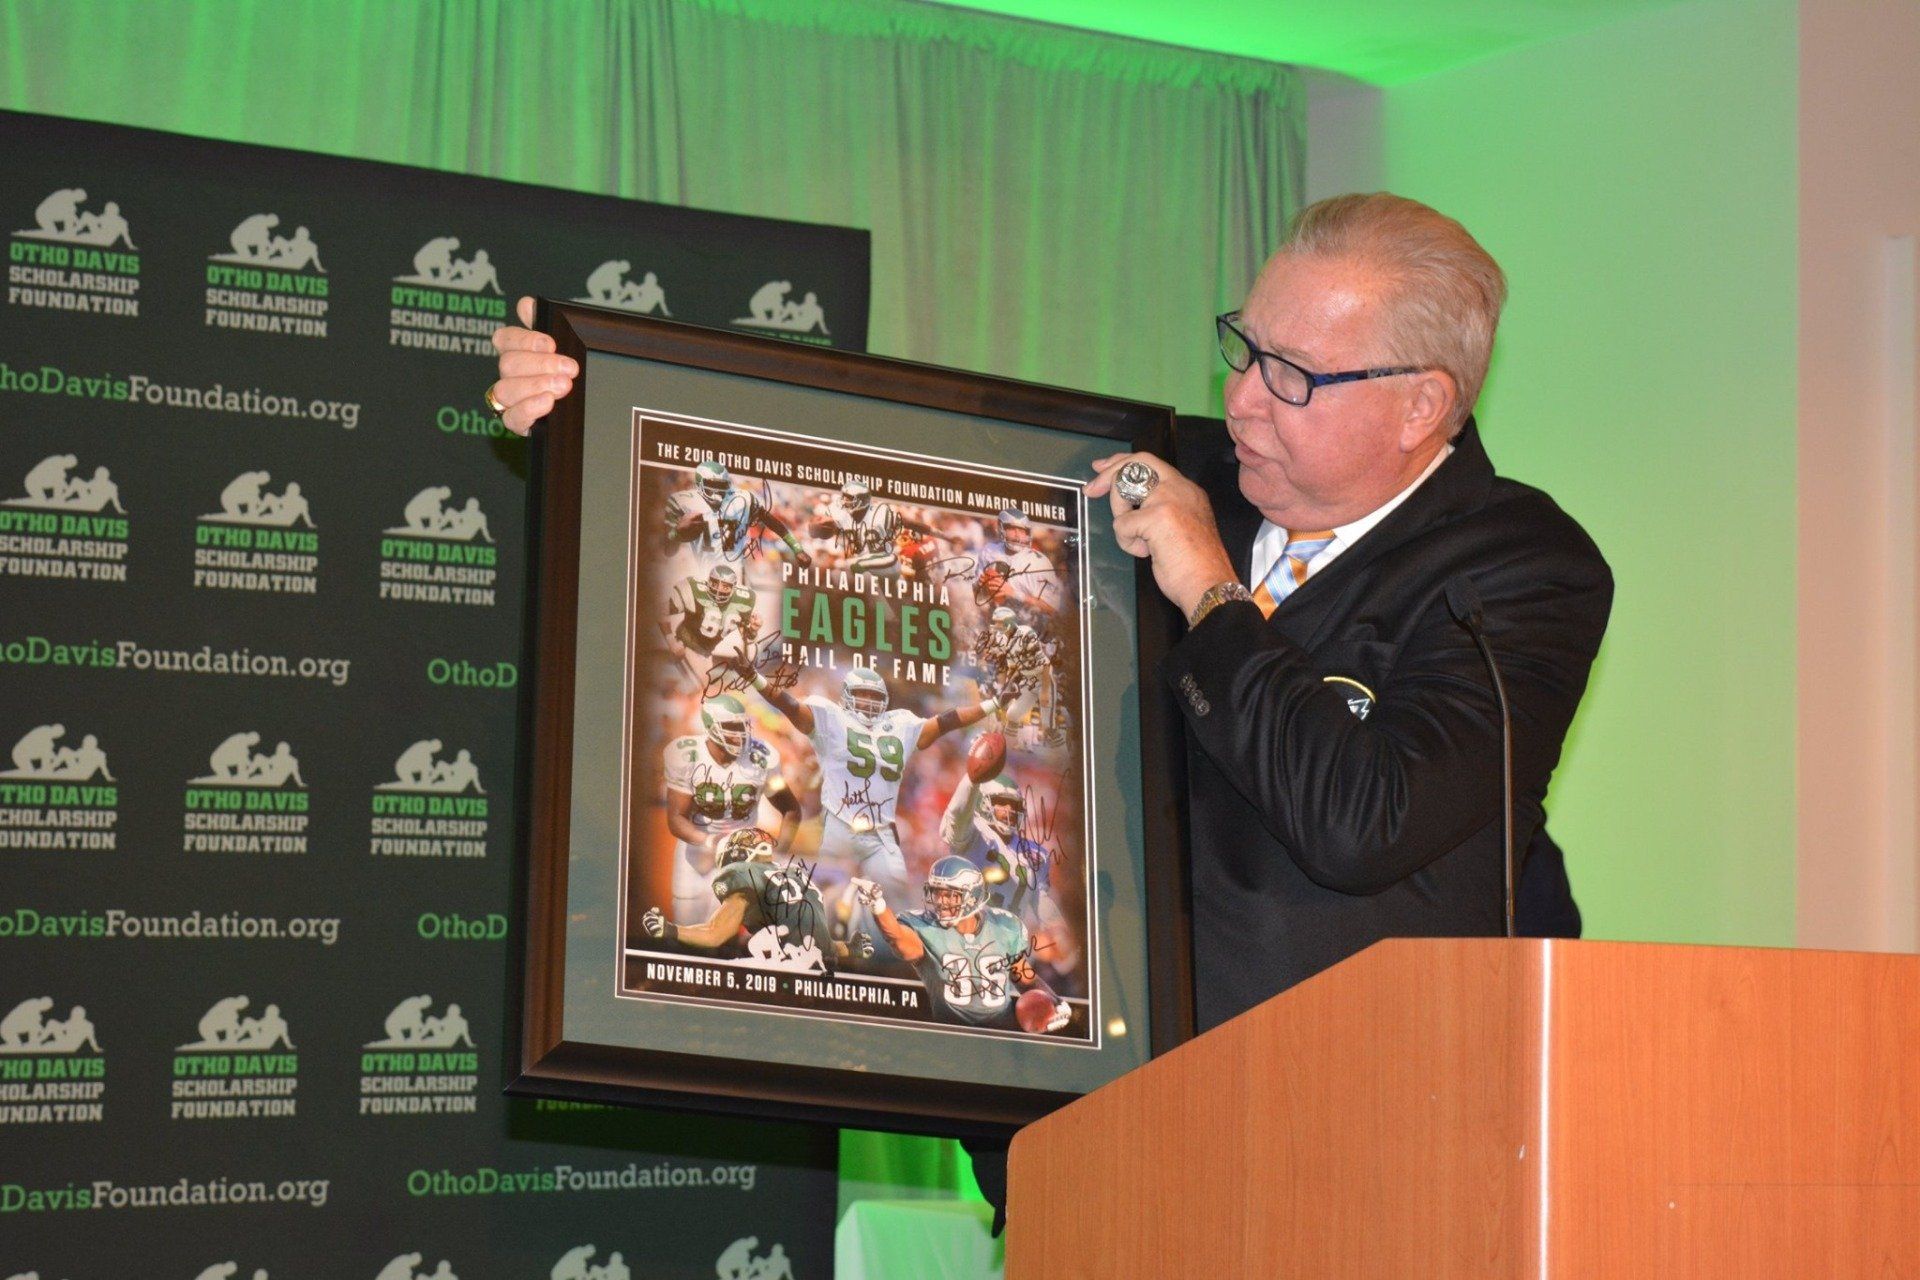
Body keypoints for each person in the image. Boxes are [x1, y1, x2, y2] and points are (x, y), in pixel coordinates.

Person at [481, 192, 1611, 1224]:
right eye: (1244, 346)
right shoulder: (1169, 470)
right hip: (1093, 1148)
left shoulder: (1517, 572)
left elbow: (1363, 818)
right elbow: (862, 502)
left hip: (1352, 1170)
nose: (1243, 396)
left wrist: (1213, 594)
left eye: (1295, 374)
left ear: (1422, 404)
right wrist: (597, 412)